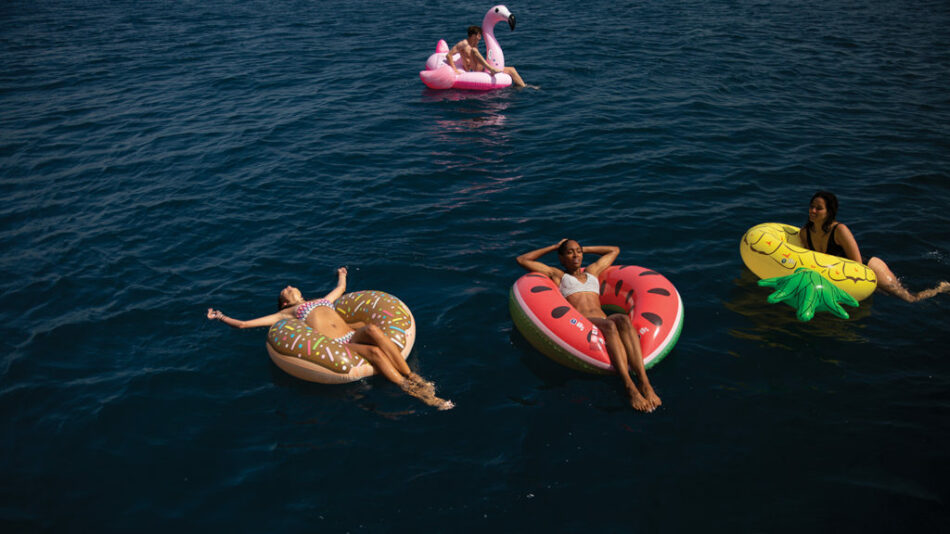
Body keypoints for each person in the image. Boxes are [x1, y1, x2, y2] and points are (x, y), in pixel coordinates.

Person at [207, 267, 453, 410]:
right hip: (340, 345)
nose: (289, 285)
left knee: (373, 330)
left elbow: (340, 290)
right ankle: (416, 392)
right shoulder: (284, 314)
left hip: (351, 333)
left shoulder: (321, 300)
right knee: (375, 354)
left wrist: (342, 274)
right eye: (285, 289)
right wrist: (220, 316)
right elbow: (243, 324)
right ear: (284, 300)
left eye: (290, 285)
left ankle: (413, 376)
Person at [516, 239, 662, 412]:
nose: (576, 255)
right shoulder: (559, 275)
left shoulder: (593, 271)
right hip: (584, 322)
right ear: (561, 258)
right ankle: (629, 386)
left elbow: (614, 250)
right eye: (570, 252)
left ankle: (645, 383)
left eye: (578, 251)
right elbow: (523, 260)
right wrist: (555, 246)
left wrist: (584, 248)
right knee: (609, 325)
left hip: (602, 317)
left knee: (622, 319)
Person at [800, 191, 949, 303]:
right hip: (841, 274)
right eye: (812, 206)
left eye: (818, 208)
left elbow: (857, 263)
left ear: (829, 212)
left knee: (910, 299)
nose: (812, 211)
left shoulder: (839, 230)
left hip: (870, 268)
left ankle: (940, 288)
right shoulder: (805, 233)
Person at [448, 25, 526, 88]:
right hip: (473, 70)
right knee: (474, 50)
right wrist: (455, 70)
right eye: (478, 35)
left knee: (512, 69)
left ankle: (524, 86)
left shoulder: (474, 44)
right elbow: (449, 55)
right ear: (473, 35)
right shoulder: (464, 44)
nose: (480, 38)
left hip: (481, 68)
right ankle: (491, 69)